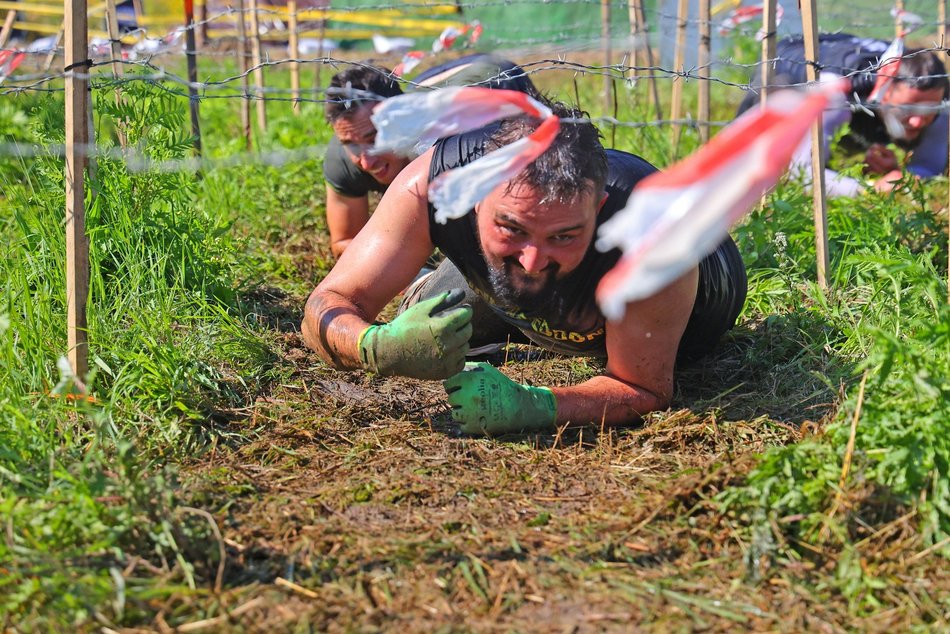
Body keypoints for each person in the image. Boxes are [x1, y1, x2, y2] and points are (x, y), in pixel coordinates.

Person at [302, 102, 747, 436]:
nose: (532, 260)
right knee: (430, 312)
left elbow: (644, 387)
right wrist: (372, 345)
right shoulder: (431, 185)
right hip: (519, 296)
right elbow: (326, 304)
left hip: (687, 308)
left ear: (600, 209)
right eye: (511, 228)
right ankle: (441, 283)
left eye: (564, 235)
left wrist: (534, 405)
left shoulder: (656, 234)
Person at [323, 54, 537, 257]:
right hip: (431, 83)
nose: (367, 161)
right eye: (351, 145)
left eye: (375, 140)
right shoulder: (348, 143)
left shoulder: (455, 143)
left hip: (498, 78)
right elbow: (344, 241)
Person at [737, 33, 949, 197]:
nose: (918, 120)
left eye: (929, 110)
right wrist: (871, 188)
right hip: (785, 63)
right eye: (906, 109)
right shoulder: (837, 95)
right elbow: (801, 171)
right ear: (884, 92)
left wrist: (901, 177)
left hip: (853, 55)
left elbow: (928, 167)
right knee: (749, 155)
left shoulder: (938, 100)